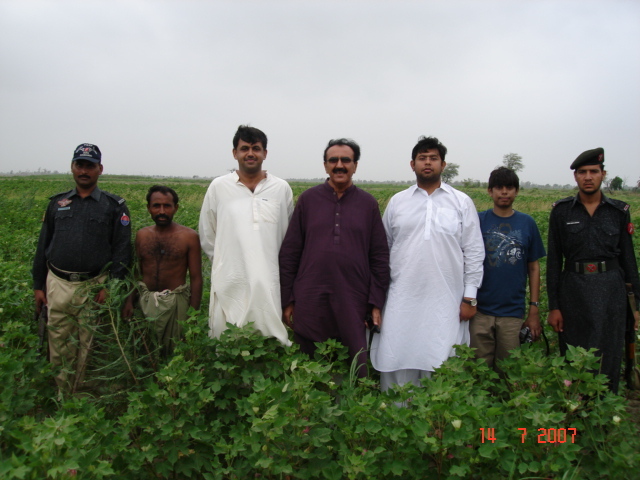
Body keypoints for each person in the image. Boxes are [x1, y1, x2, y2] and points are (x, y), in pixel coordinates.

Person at [370, 136, 484, 391]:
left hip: (446, 301)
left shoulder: (461, 202)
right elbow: (383, 250)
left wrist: (470, 298)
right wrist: (377, 296)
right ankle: (396, 418)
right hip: (401, 299)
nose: (428, 163)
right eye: (422, 158)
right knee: (398, 355)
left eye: (433, 158)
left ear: (444, 164)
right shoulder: (398, 202)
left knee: (441, 360)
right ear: (412, 164)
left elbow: (474, 253)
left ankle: (437, 425)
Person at [279, 138, 390, 376]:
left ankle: (351, 411)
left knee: (351, 367)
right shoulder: (308, 200)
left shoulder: (368, 204)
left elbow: (379, 256)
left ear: (355, 165)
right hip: (310, 298)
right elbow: (290, 252)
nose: (339, 165)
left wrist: (375, 301)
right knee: (309, 369)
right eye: (333, 160)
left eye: (346, 160)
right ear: (325, 165)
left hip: (353, 299)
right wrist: (287, 299)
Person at [33, 143, 132, 394]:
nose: (84, 170)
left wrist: (110, 286)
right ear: (72, 168)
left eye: (90, 165)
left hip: (94, 285)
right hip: (58, 282)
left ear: (100, 169)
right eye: (80, 165)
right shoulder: (57, 204)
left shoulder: (114, 206)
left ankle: (83, 395)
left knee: (89, 344)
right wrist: (38, 286)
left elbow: (122, 251)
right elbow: (43, 246)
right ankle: (63, 396)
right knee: (58, 342)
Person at [546, 148, 639, 393]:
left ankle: (605, 411)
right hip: (573, 291)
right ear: (575, 177)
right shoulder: (562, 211)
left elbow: (629, 260)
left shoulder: (618, 211)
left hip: (611, 291)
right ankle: (576, 409)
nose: (588, 177)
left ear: (603, 174)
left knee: (609, 352)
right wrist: (554, 306)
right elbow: (554, 261)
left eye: (594, 172)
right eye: (583, 172)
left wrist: (636, 307)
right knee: (574, 353)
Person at [198, 125, 294, 345]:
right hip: (230, 279)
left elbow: (288, 236)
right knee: (228, 340)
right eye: (244, 148)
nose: (250, 153)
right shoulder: (218, 187)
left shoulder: (281, 189)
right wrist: (226, 263)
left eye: (256, 148)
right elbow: (207, 234)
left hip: (270, 280)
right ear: (235, 153)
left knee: (270, 343)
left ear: (265, 154)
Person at [469, 167, 546, 372]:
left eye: (509, 188)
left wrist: (534, 310)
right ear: (490, 191)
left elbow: (534, 267)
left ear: (517, 191)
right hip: (480, 311)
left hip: (512, 313)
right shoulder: (477, 220)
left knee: (509, 373)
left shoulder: (527, 223)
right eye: (499, 188)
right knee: (478, 371)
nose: (504, 192)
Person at [122, 185, 202, 354]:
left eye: (167, 206)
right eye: (156, 206)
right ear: (148, 208)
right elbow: (137, 272)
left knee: (176, 351)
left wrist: (193, 314)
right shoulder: (142, 235)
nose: (162, 211)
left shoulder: (189, 237)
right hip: (145, 300)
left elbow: (196, 277)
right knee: (144, 350)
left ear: (176, 208)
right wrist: (129, 300)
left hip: (175, 303)